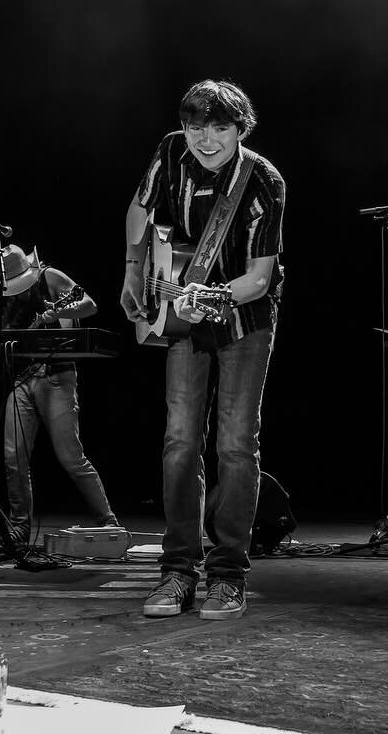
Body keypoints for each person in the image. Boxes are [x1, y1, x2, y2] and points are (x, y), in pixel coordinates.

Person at [120, 79, 285, 620]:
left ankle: (229, 573)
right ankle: (177, 570)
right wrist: (134, 269)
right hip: (180, 316)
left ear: (240, 129)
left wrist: (211, 294)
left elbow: (259, 278)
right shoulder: (170, 150)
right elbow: (140, 208)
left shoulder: (262, 179)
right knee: (179, 441)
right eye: (195, 127)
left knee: (236, 444)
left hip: (243, 319)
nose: (205, 139)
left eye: (218, 128)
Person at [0, 243, 117, 544]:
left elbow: (90, 305)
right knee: (13, 457)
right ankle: (19, 527)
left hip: (56, 375)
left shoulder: (49, 277)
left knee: (71, 456)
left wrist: (57, 312)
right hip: (21, 379)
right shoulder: (1, 295)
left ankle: (107, 521)